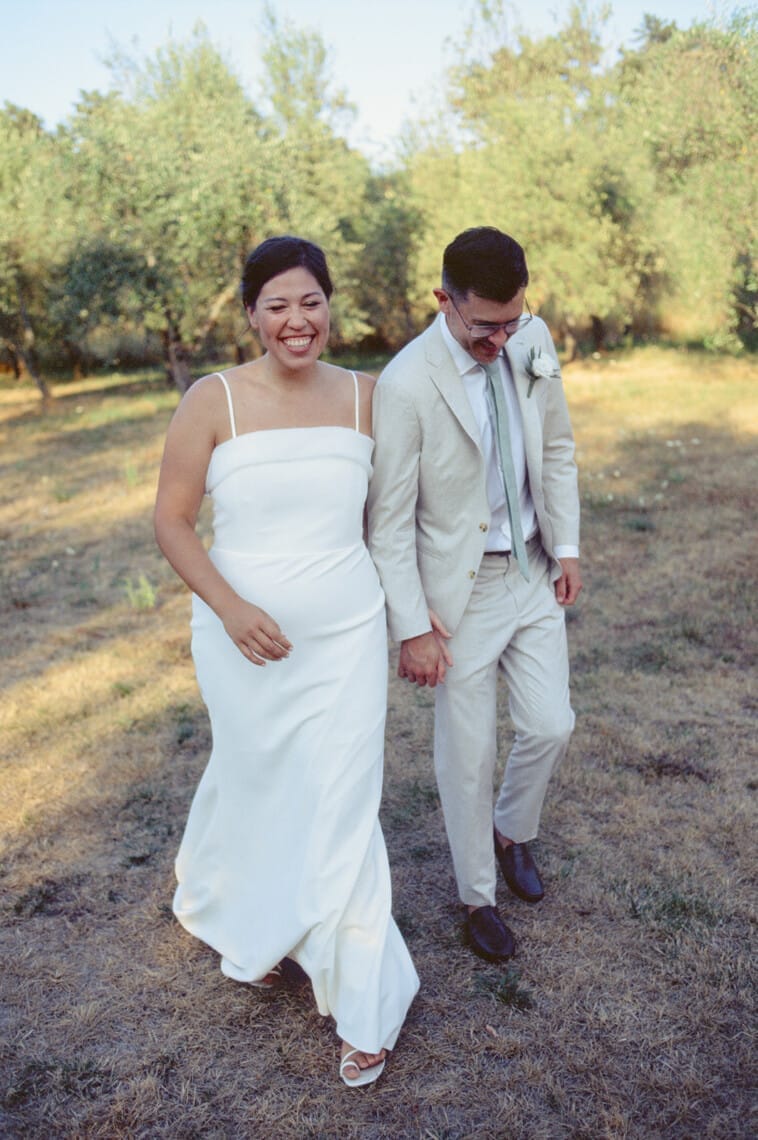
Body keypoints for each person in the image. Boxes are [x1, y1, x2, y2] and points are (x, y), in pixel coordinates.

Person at [154, 235, 418, 1087]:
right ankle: (258, 921)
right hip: (240, 643)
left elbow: (397, 521)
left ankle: (365, 1000)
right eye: (277, 306)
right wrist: (229, 609)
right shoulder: (213, 401)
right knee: (261, 784)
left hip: (346, 637)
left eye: (310, 301)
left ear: (330, 304)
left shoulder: (368, 398)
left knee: (342, 804)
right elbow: (172, 520)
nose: (296, 321)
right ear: (252, 315)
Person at [367, 226, 581, 964]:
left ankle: (512, 829)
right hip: (458, 595)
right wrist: (411, 628)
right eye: (484, 325)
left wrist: (569, 546)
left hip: (531, 566)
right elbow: (388, 521)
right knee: (468, 752)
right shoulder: (404, 384)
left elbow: (555, 446)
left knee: (551, 723)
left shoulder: (530, 338)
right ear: (443, 301)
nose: (501, 340)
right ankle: (476, 898)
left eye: (512, 321)